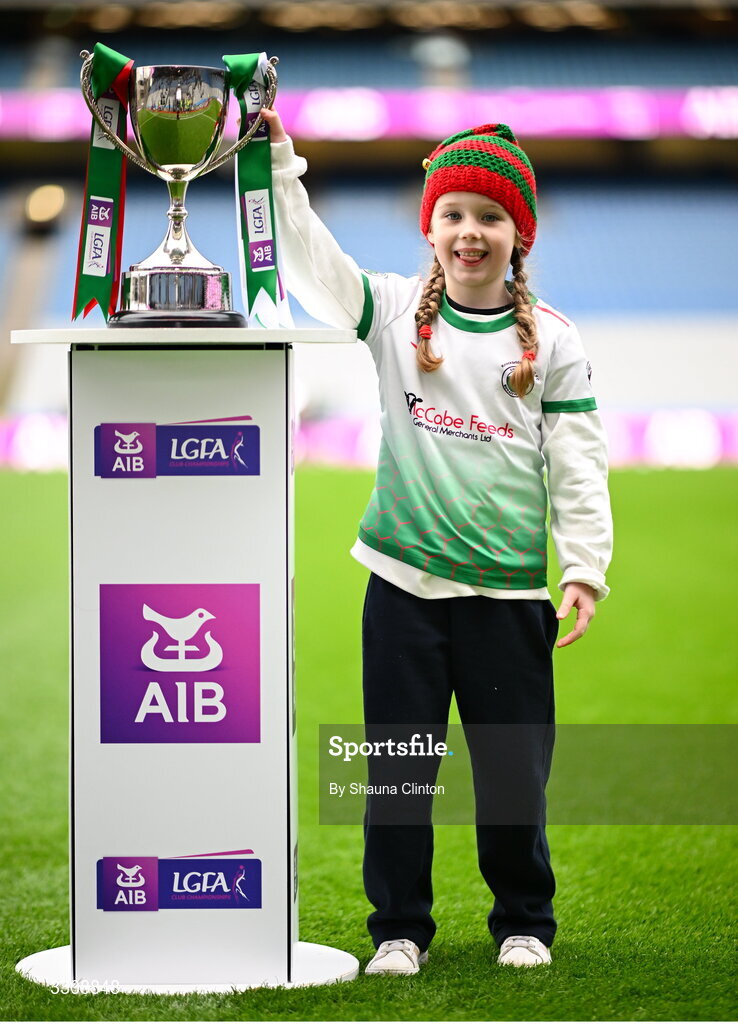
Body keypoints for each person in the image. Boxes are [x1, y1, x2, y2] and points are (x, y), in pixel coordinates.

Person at [262, 108, 613, 974]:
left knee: (510, 781)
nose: (470, 233)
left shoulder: (556, 342)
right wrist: (277, 164)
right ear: (431, 227)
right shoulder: (387, 311)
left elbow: (578, 462)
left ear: (518, 234)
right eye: (453, 214)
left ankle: (524, 921)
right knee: (397, 778)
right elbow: (310, 258)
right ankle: (399, 932)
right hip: (403, 595)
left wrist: (583, 568)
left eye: (490, 217)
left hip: (508, 602)